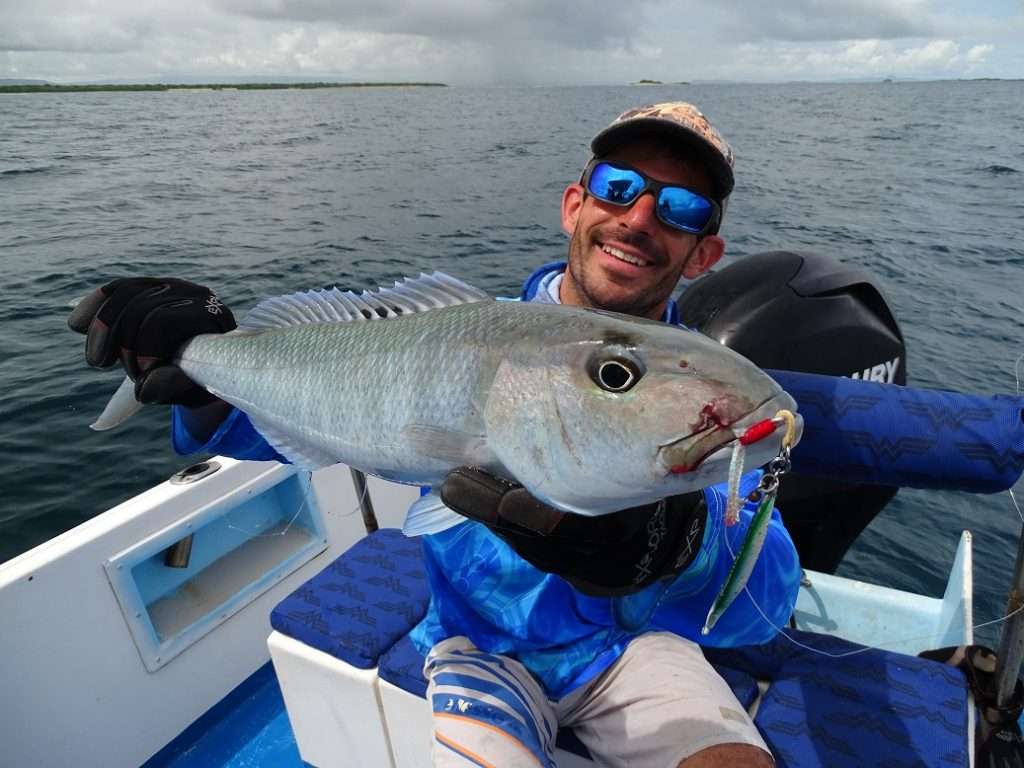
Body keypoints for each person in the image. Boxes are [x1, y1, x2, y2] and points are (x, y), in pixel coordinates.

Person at [69, 102, 800, 767]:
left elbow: (766, 595)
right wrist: (201, 380)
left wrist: (676, 548)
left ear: (704, 253)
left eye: (679, 208)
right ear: (575, 205)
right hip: (479, 646)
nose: (639, 218)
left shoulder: (703, 397)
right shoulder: (459, 339)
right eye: (618, 187)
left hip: (636, 648)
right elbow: (300, 427)